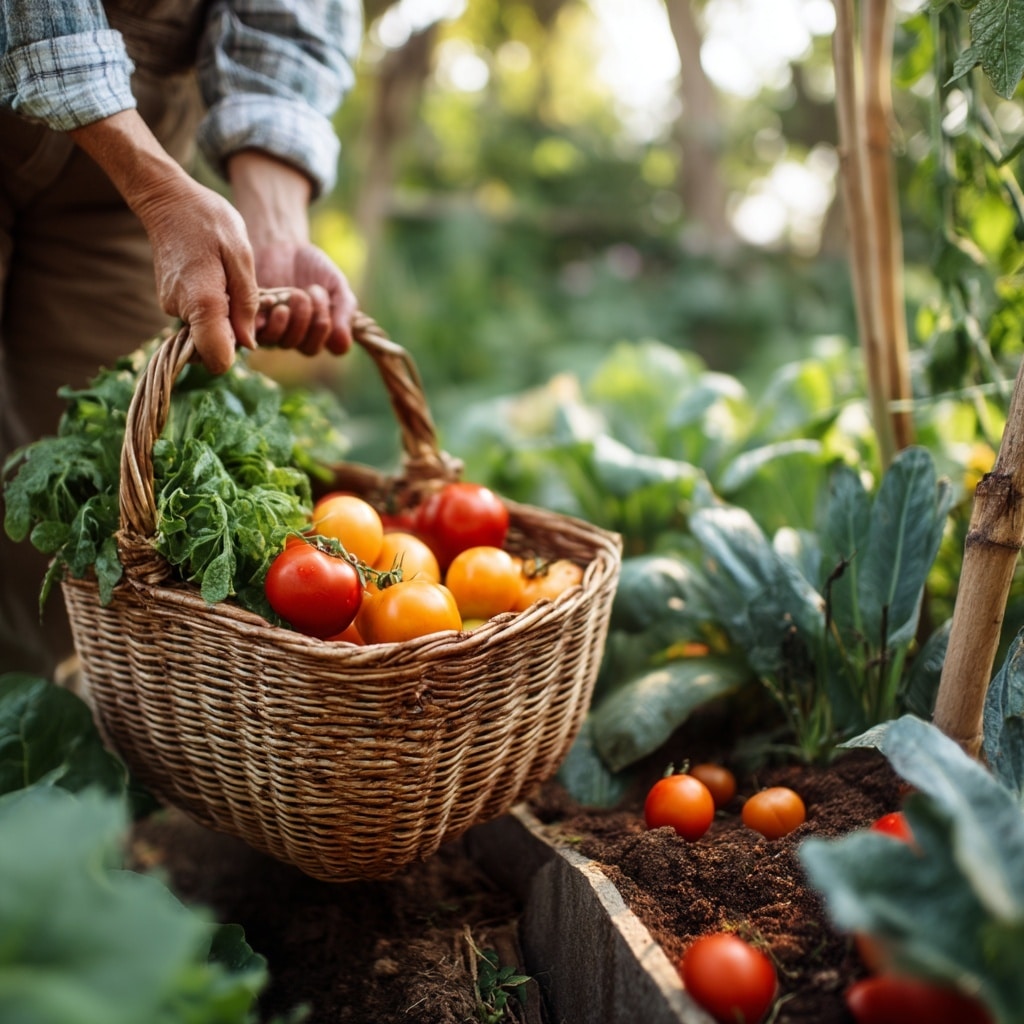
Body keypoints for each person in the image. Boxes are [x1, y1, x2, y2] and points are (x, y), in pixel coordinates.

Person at [0, 0, 364, 678]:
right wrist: (160, 191)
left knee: (89, 500)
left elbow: (291, 18)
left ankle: (37, 747)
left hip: (121, 161)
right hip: (128, 150)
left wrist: (276, 225)